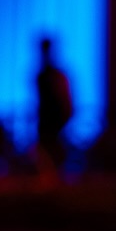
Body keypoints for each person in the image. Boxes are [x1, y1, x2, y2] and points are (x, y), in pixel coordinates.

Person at [34, 33, 75, 168]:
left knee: (53, 163)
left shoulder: (55, 76)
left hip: (54, 127)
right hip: (47, 126)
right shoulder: (44, 75)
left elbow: (66, 104)